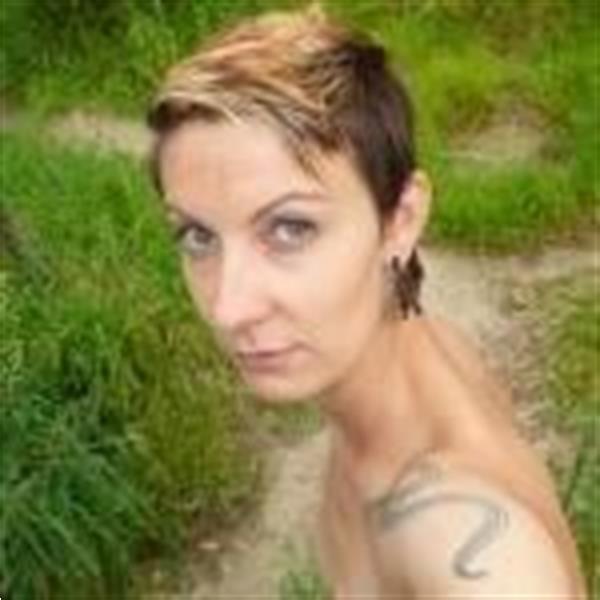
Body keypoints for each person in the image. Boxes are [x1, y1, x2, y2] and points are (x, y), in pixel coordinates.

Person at [146, 5, 586, 598]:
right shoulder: (428, 350)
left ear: (401, 220)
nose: (228, 308)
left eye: (290, 228)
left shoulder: (466, 547)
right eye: (198, 236)